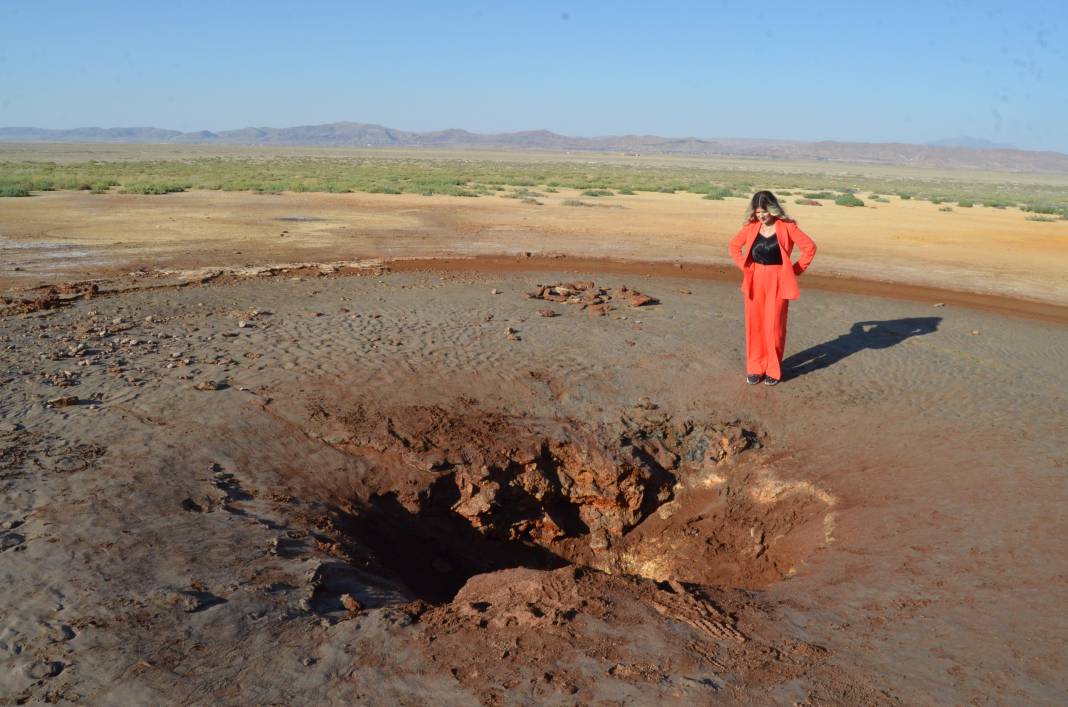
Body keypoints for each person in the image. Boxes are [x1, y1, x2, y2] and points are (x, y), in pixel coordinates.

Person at [728, 191, 817, 386]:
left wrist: (794, 271)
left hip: (778, 280)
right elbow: (734, 246)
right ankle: (755, 368)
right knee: (755, 326)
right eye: (758, 211)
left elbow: (809, 248)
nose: (762, 215)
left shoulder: (787, 226)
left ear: (774, 209)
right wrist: (746, 267)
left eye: (765, 211)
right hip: (755, 279)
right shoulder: (751, 227)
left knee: (773, 327)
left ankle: (773, 371)